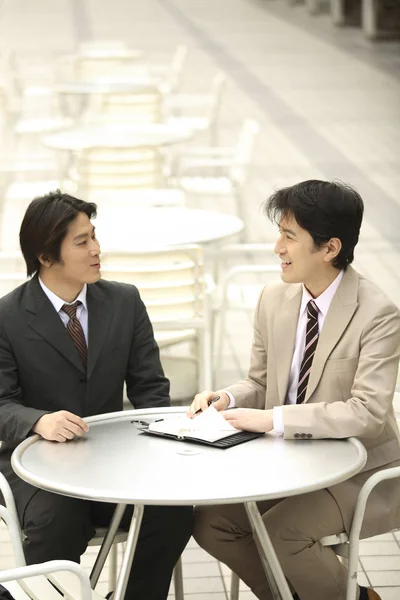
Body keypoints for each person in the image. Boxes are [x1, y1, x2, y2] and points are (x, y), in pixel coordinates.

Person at [188, 180, 400, 600]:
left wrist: (273, 419)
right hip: (289, 461)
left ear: (329, 248)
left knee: (282, 534)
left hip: (357, 469)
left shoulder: (379, 314)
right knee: (211, 522)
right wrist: (226, 398)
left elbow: (367, 412)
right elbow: (261, 382)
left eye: (289, 236)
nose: (277, 248)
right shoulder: (273, 298)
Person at [0, 190, 193, 600]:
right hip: (38, 469)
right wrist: (38, 420)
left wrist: (171, 446)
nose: (96, 250)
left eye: (94, 236)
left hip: (112, 461)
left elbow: (151, 390)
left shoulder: (124, 301)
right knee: (58, 518)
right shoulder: (7, 318)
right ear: (46, 256)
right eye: (81, 241)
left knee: (173, 509)